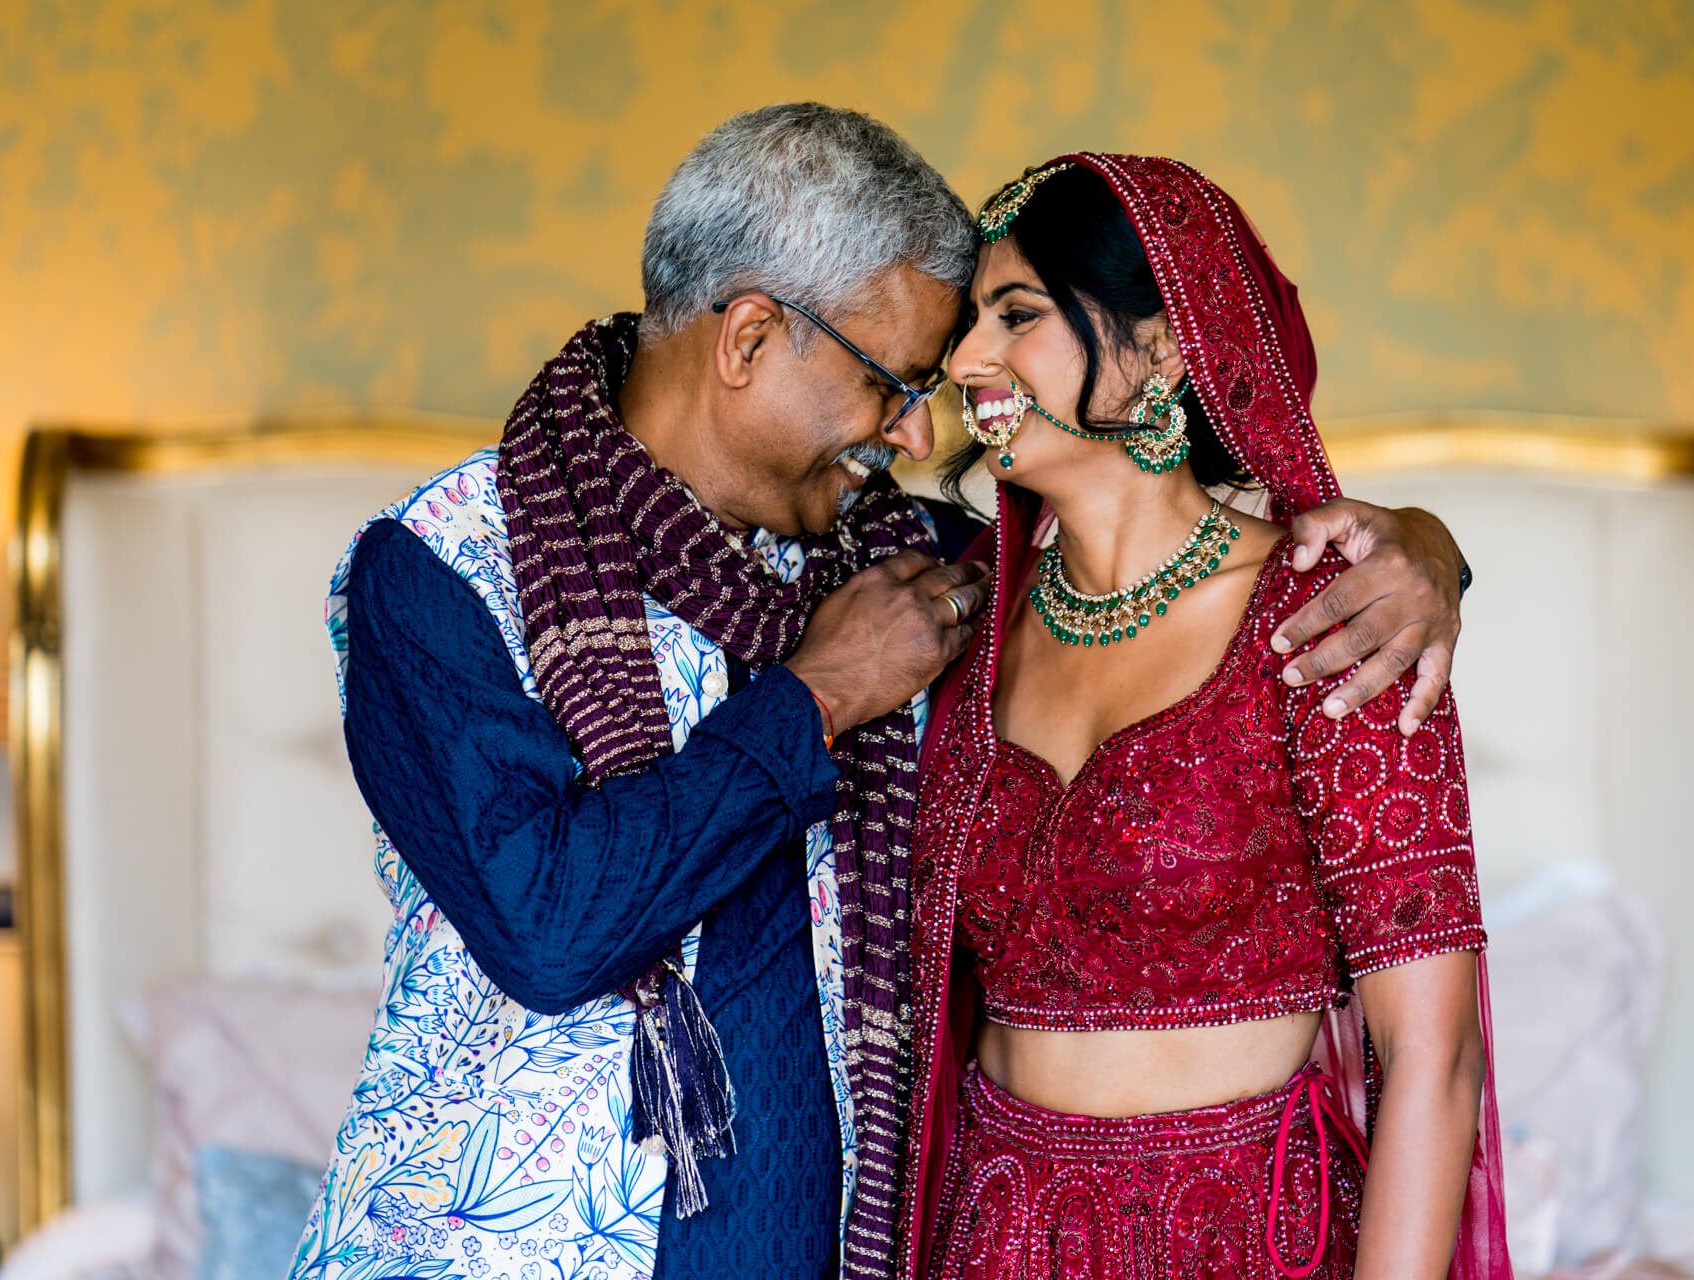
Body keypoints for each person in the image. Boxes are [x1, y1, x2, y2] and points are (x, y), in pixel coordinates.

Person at [290, 108, 1473, 1280]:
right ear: (749, 339)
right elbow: (551, 928)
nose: (922, 425)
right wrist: (816, 694)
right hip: (497, 1249)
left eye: (960, 353)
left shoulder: (902, 568)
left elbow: (1148, 558)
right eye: (894, 378)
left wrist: (1423, 552)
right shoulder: (447, 569)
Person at [900, 156, 1510, 1280]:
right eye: (967, 323)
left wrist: (1427, 548)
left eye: (1017, 315)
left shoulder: (1333, 621)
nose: (966, 361)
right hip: (989, 1231)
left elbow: (1434, 1052)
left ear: (1167, 347)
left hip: (1241, 1233)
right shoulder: (957, 618)